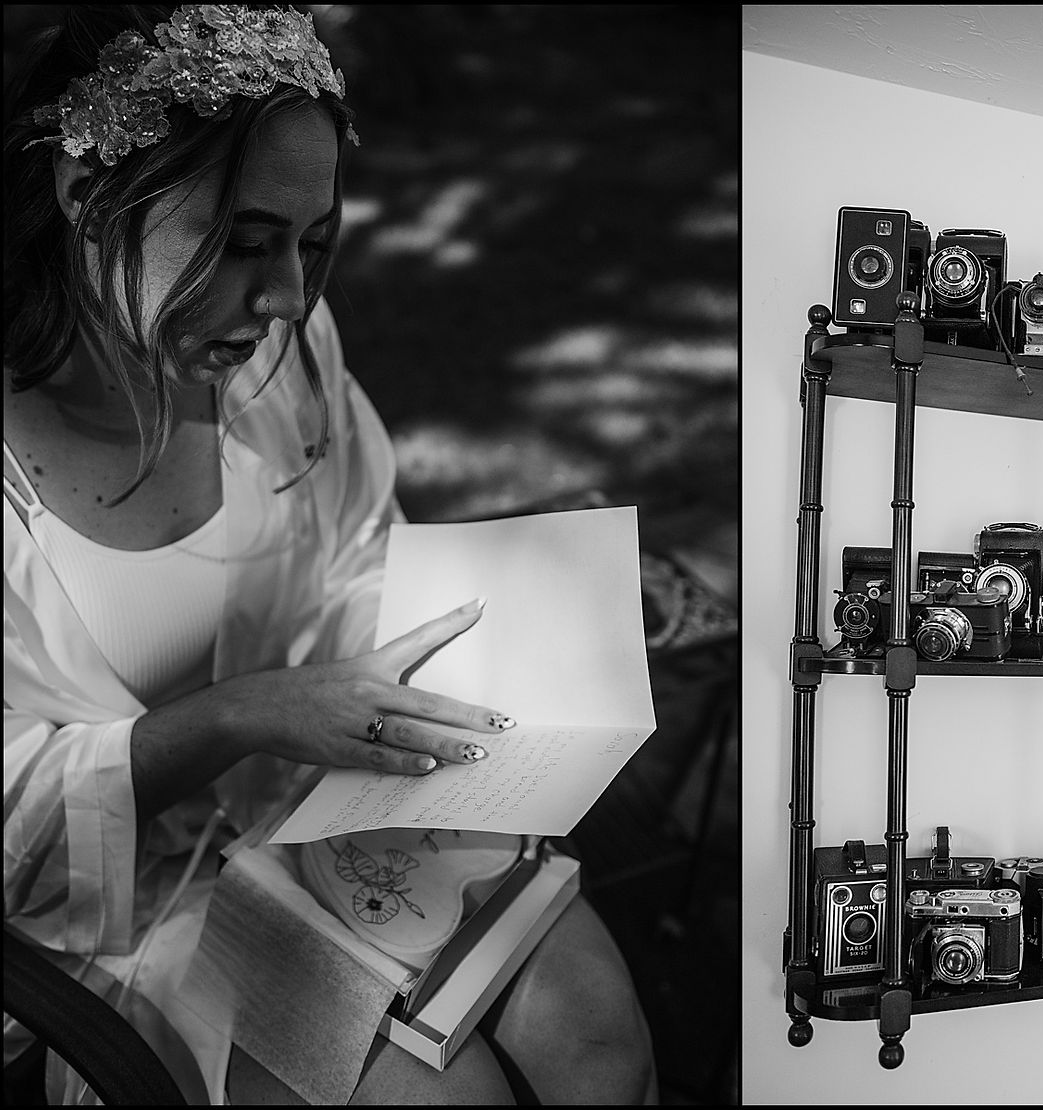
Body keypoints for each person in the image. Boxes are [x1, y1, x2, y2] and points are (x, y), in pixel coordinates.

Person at [2, 5, 656, 1104]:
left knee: (599, 1043)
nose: (287, 299)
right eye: (242, 242)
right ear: (84, 193)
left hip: (323, 805)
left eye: (310, 244)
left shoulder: (270, 360)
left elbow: (354, 552)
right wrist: (238, 716)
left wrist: (463, 651)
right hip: (118, 922)